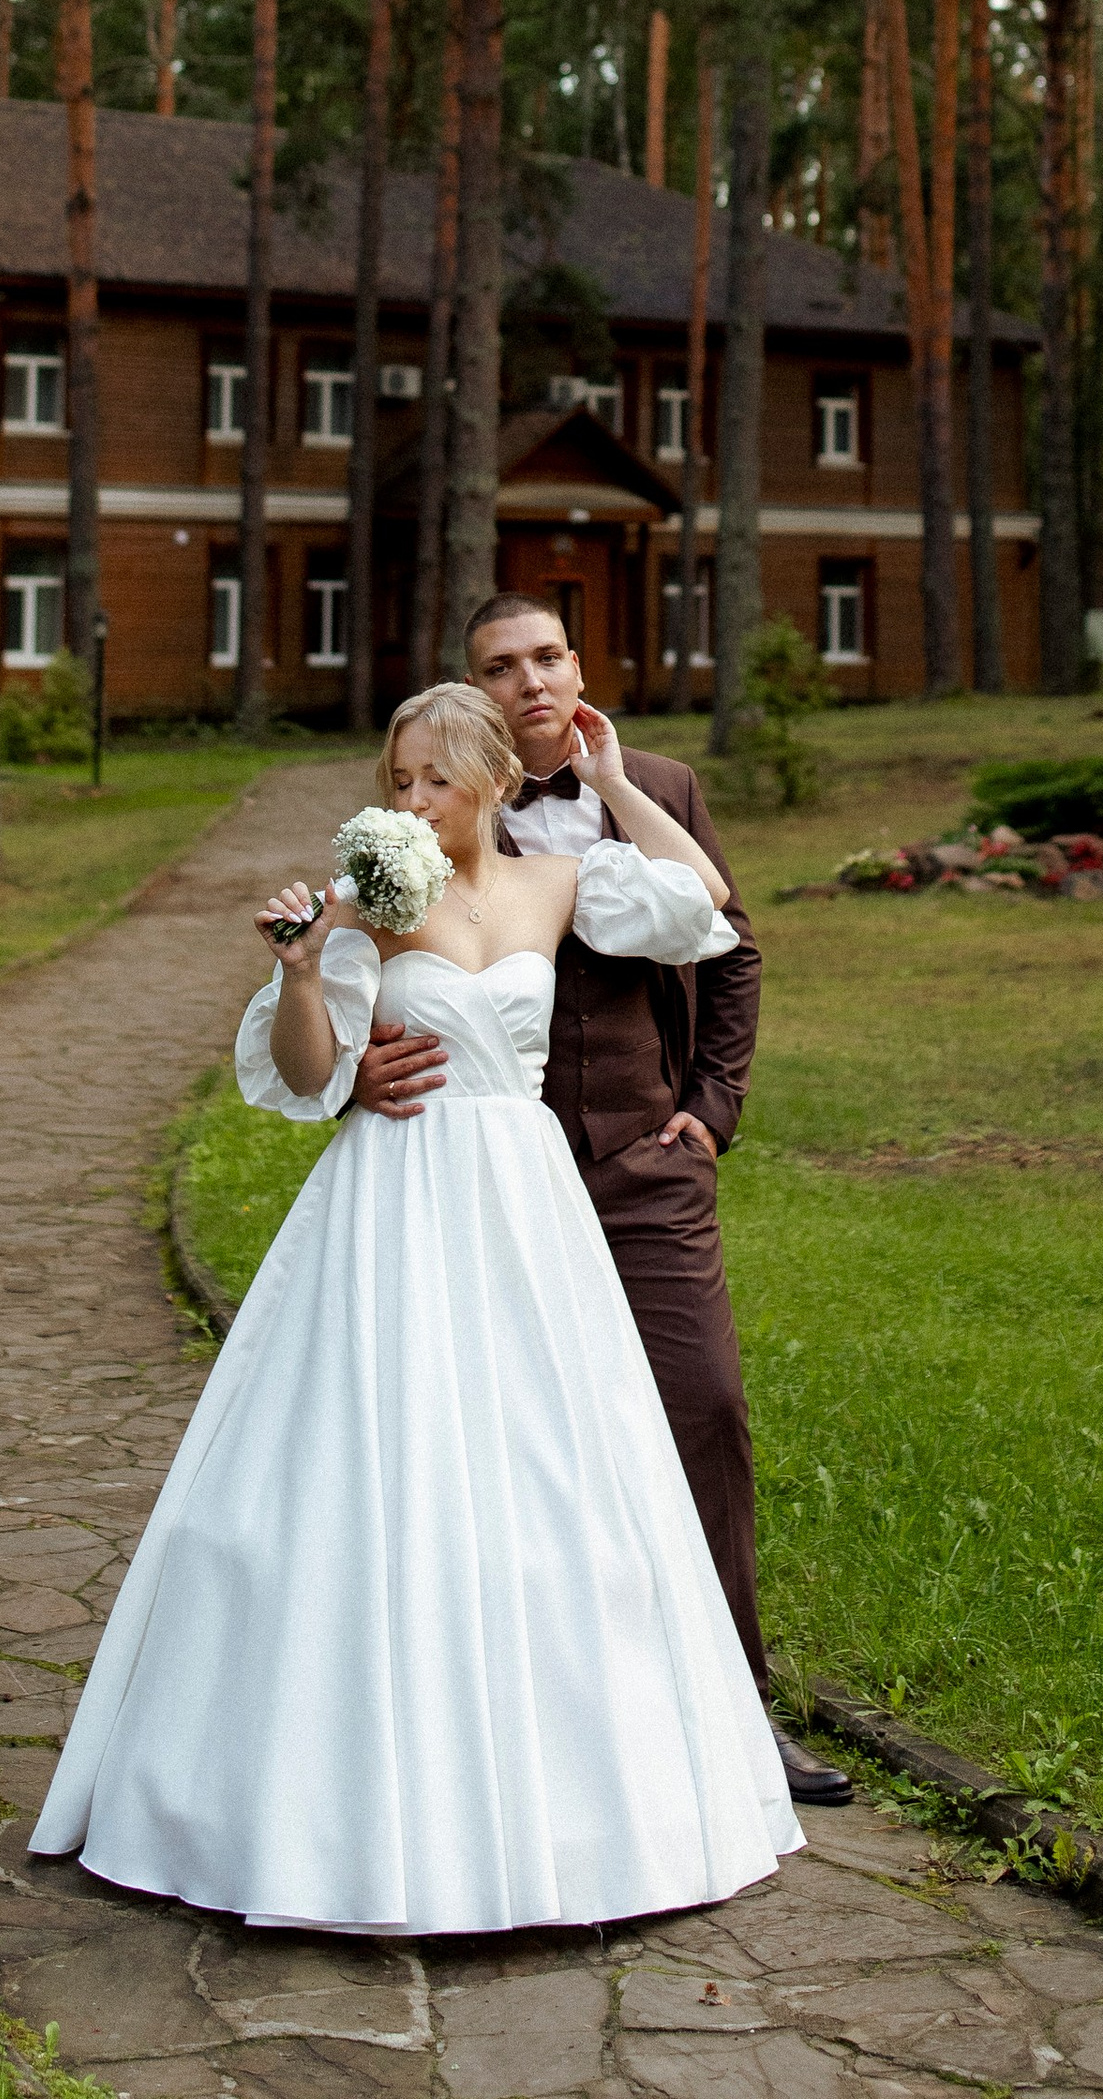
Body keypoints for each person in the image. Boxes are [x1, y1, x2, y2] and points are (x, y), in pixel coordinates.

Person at [27, 678, 801, 1936]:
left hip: (525, 1210)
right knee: (373, 1480)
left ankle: (588, 1815)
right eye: (398, 780)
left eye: (436, 779)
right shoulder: (369, 899)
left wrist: (608, 782)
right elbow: (303, 1076)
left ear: (496, 782)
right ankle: (319, 1815)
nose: (411, 801)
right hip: (396, 1200)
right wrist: (298, 977)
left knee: (554, 1478)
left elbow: (698, 902)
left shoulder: (560, 880)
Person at [353, 594, 855, 1809]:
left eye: (547, 657)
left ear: (576, 664)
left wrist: (712, 1110)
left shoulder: (661, 787)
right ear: (472, 691)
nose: (530, 681)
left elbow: (727, 941)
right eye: (499, 667)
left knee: (704, 1413)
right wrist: (354, 1079)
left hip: (641, 1164)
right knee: (507, 1450)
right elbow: (350, 976)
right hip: (486, 1179)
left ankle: (740, 1713)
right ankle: (554, 1731)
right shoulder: (424, 810)